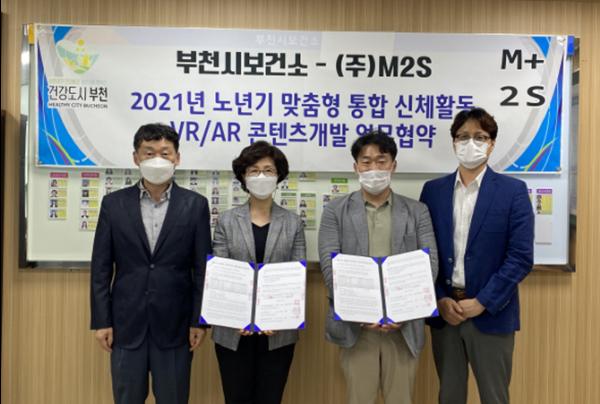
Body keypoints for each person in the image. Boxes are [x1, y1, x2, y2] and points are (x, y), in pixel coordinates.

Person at [90, 123, 212, 404]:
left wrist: (199, 321)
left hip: (176, 326)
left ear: (177, 158)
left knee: (174, 398)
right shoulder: (113, 204)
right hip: (125, 325)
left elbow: (202, 269)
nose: (158, 159)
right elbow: (101, 268)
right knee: (127, 398)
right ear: (136, 158)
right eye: (149, 152)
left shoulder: (195, 205)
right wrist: (102, 321)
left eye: (165, 153)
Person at [419, 108, 534, 404]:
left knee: (495, 397)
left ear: (491, 144)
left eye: (480, 137)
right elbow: (423, 253)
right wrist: (440, 299)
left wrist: (483, 301)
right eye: (463, 137)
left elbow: (520, 257)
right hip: (446, 314)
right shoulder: (433, 191)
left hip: (492, 313)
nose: (471, 143)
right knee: (449, 396)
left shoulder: (513, 191)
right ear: (453, 142)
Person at [318, 130, 438, 404]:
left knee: (401, 399)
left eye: (381, 161)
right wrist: (362, 312)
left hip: (403, 326)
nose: (374, 168)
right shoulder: (335, 210)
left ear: (393, 165)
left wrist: (404, 310)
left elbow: (429, 264)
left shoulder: (417, 211)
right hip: (356, 327)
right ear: (356, 167)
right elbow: (329, 266)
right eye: (366, 161)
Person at [212, 140, 306, 404]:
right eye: (254, 170)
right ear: (243, 176)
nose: (261, 176)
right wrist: (237, 315)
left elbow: (296, 275)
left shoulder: (293, 222)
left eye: (268, 170)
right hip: (233, 330)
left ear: (278, 176)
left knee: (270, 397)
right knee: (236, 397)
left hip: (278, 331)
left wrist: (278, 316)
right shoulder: (227, 220)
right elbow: (221, 273)